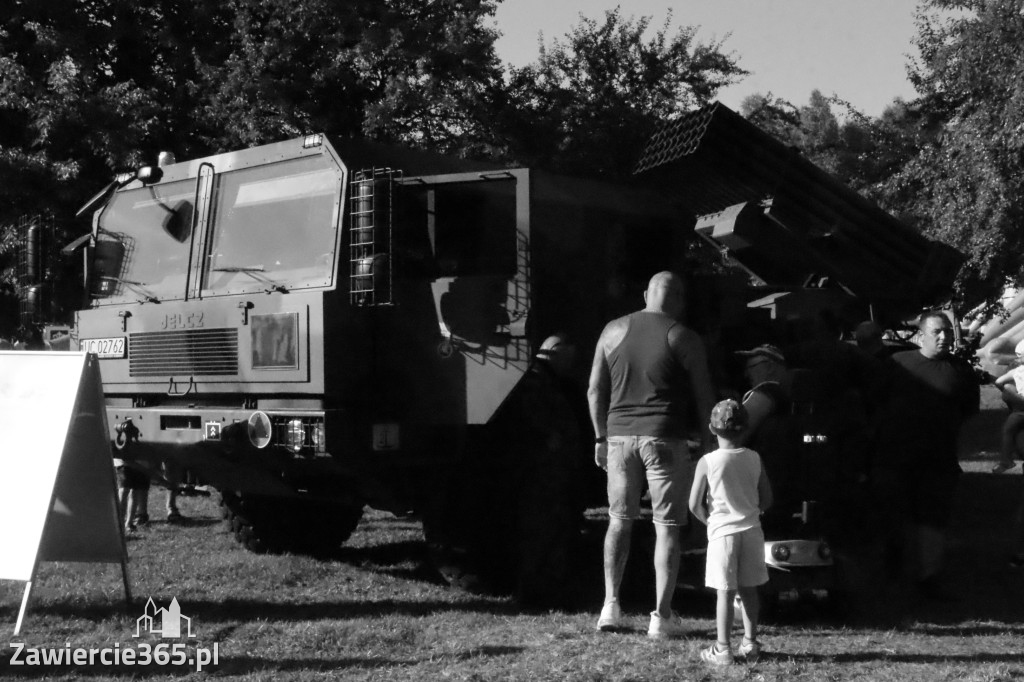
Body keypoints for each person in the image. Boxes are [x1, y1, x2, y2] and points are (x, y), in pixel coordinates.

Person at [588, 271, 716, 638]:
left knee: (618, 519)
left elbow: (595, 391)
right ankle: (661, 616)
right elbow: (705, 397)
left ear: (647, 293)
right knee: (668, 526)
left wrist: (600, 437)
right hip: (665, 438)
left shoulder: (612, 330)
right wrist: (708, 448)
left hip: (619, 439)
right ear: (679, 298)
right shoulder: (684, 336)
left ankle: (610, 605)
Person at [871, 311, 979, 599]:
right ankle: (891, 569)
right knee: (894, 515)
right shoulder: (897, 364)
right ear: (921, 336)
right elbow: (874, 404)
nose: (944, 337)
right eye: (937, 332)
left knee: (932, 520)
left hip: (939, 459)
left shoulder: (960, 370)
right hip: (895, 457)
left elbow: (969, 410)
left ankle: (928, 579)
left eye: (947, 331)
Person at [689, 399, 772, 665]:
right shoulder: (754, 458)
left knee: (724, 591)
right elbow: (767, 498)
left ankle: (722, 648)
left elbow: (693, 504)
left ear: (713, 429)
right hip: (751, 530)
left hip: (723, 532)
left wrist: (710, 522)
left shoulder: (708, 461)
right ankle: (750, 643)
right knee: (749, 590)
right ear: (745, 428)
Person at [992, 338, 1024, 474]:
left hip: (1020, 409)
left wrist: (1010, 391)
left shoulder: (1017, 371)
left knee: (1008, 430)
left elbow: (998, 381)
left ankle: (1006, 461)